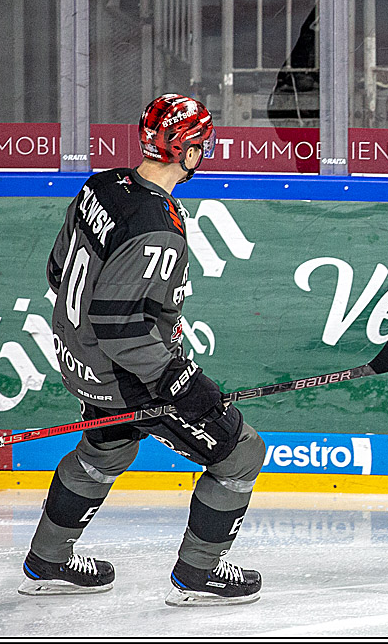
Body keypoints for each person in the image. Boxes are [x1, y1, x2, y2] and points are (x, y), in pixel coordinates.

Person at [19, 94, 266, 606]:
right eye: (202, 143)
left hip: (79, 359)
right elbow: (120, 327)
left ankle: (48, 559)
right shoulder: (156, 226)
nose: (205, 152)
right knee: (241, 453)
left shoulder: (103, 185)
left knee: (106, 449)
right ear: (187, 151)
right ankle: (199, 572)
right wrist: (180, 382)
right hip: (127, 374)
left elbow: (57, 268)